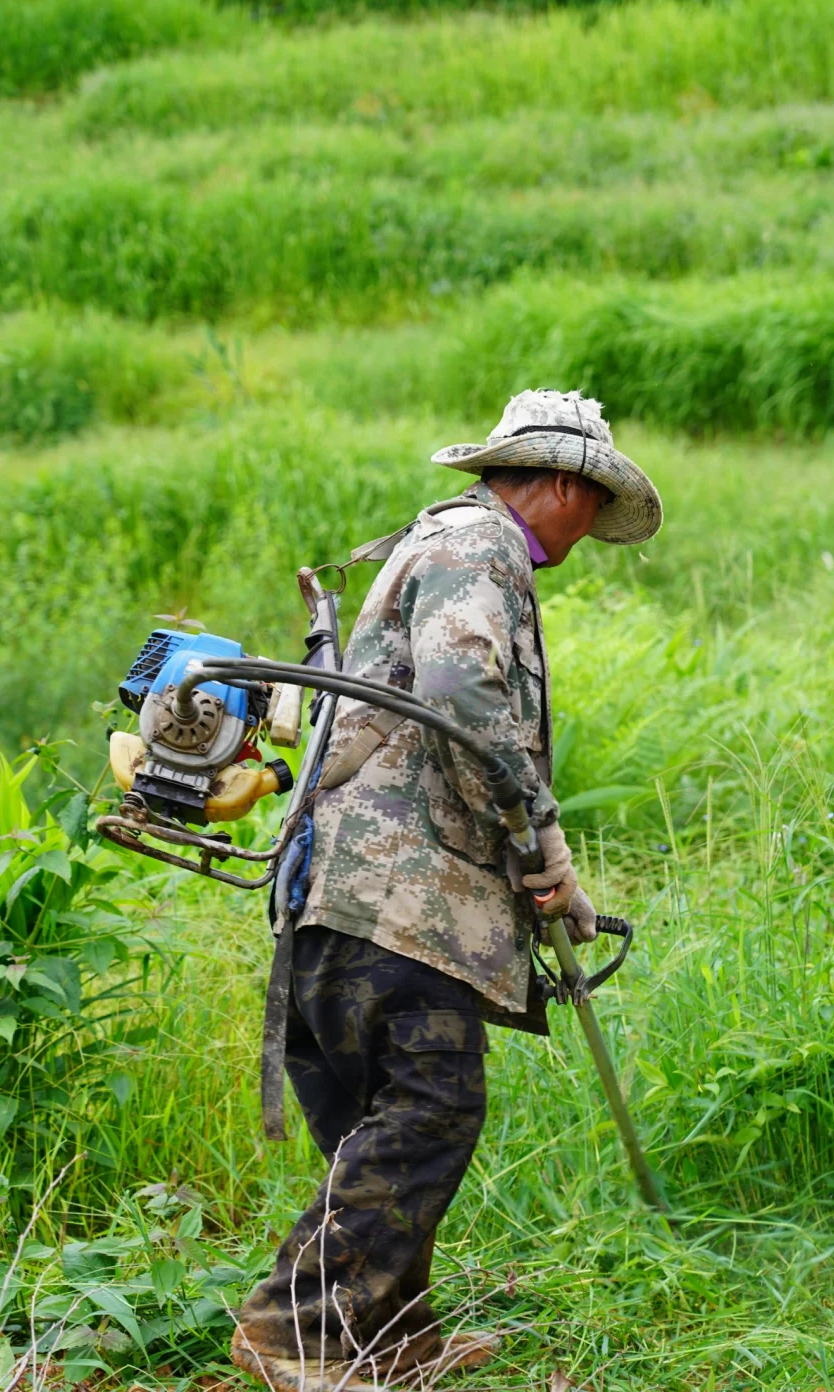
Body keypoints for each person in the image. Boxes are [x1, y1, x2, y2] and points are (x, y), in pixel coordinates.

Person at [233, 389, 662, 1391]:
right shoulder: (482, 547)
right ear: (561, 484)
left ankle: (390, 1344)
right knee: (431, 1107)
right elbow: (464, 697)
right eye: (591, 506)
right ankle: (293, 1329)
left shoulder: (444, 542)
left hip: (344, 892)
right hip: (396, 895)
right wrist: (534, 839)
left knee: (388, 1121)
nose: (591, 529)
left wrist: (550, 870)